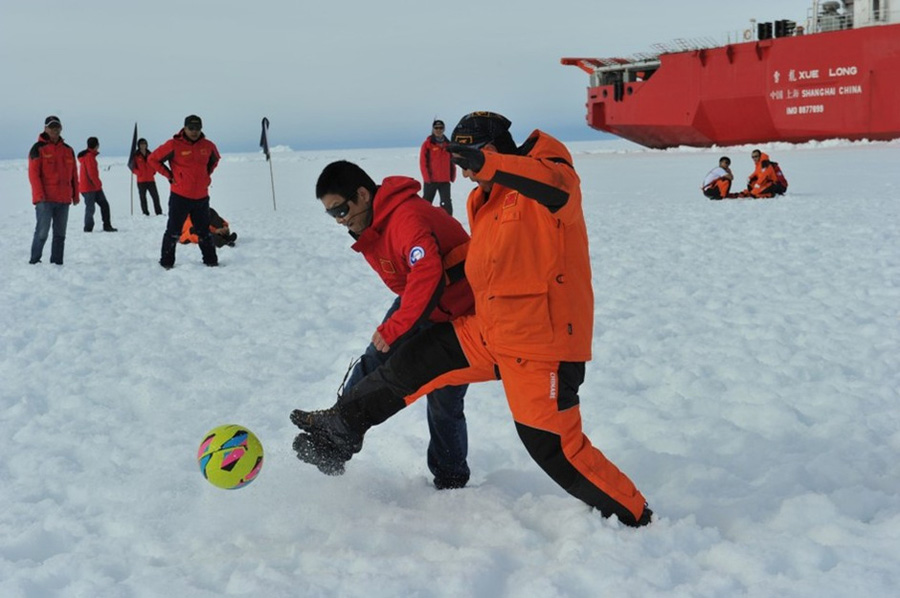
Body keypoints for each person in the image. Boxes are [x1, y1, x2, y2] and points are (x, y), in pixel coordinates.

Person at [291, 112, 653, 527]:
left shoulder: (554, 183)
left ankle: (636, 515)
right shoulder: (485, 199)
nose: (464, 174)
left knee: (553, 448)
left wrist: (488, 165)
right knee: (410, 365)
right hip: (488, 328)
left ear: (493, 152)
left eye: (469, 162)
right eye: (461, 165)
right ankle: (340, 428)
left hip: (540, 343)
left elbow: (547, 182)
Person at [307, 160, 475, 489]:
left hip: (460, 311)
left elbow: (428, 274)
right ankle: (336, 433)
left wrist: (397, 326)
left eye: (341, 210)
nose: (340, 221)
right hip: (422, 301)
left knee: (443, 399)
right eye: (332, 215)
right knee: (373, 360)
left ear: (362, 195)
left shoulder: (406, 218)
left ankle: (452, 479)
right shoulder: (374, 224)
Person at [149, 115, 221, 268]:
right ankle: (166, 263)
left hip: (201, 197)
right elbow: (153, 159)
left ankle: (211, 261)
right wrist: (169, 175)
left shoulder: (208, 146)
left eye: (198, 128)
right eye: (191, 128)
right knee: (174, 231)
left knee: (204, 232)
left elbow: (215, 159)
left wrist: (206, 175)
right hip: (180, 196)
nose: (194, 131)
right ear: (185, 128)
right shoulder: (173, 145)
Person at [28, 115, 79, 265]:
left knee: (60, 234)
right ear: (45, 129)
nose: (55, 130)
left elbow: (74, 175)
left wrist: (75, 195)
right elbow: (33, 175)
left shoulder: (68, 150)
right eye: (51, 127)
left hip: (63, 199)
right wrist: (39, 196)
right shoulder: (38, 149)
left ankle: (57, 263)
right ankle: (35, 261)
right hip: (45, 200)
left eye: (57, 127)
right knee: (42, 233)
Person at [77, 137, 117, 232]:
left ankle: (104, 226)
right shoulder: (89, 157)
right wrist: (98, 185)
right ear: (96, 145)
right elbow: (92, 174)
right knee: (92, 208)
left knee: (100, 206)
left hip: (89, 187)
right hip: (89, 188)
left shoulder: (88, 156)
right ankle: (88, 228)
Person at [419, 119, 457, 215]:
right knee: (426, 203)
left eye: (440, 128)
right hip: (431, 180)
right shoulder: (427, 144)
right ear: (433, 129)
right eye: (436, 128)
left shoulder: (448, 145)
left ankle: (448, 223)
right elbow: (423, 163)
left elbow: (452, 161)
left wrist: (452, 176)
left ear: (444, 129)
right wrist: (427, 178)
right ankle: (424, 222)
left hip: (445, 180)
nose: (438, 130)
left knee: (446, 204)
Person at [131, 138, 163, 216]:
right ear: (138, 145)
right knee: (143, 198)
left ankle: (159, 212)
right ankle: (145, 213)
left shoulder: (150, 154)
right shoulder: (136, 155)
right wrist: (138, 173)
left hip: (150, 179)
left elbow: (154, 164)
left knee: (155, 197)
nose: (143, 145)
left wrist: (153, 171)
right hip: (141, 180)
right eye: (141, 144)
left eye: (144, 144)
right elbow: (132, 167)